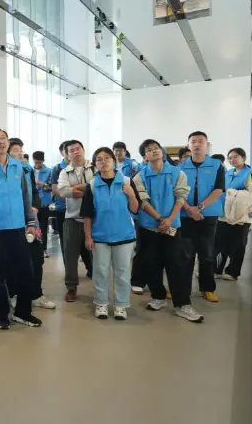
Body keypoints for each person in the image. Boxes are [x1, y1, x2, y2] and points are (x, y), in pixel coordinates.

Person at [0, 129, 42, 330]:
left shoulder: (18, 166)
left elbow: (25, 196)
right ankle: (2, 315)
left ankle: (23, 312)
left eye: (3, 138)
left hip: (18, 229)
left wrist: (31, 222)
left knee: (26, 272)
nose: (0, 142)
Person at [133, 139, 204, 323]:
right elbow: (143, 201)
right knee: (151, 264)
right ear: (145, 157)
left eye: (156, 148)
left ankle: (183, 305)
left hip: (172, 227)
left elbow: (181, 197)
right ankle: (158, 296)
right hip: (148, 227)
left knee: (176, 265)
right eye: (149, 150)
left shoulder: (177, 173)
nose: (154, 151)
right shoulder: (140, 177)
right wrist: (159, 219)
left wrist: (170, 219)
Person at [82, 147, 140, 320]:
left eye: (107, 158)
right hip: (100, 237)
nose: (103, 161)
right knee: (100, 271)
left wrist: (132, 195)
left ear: (114, 161)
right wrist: (88, 237)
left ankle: (121, 305)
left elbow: (135, 210)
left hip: (124, 236)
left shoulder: (127, 182)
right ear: (95, 164)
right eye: (99, 159)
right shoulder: (92, 185)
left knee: (123, 272)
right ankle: (101, 303)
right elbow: (87, 214)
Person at [9, 139, 55, 310]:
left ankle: (36, 295)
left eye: (21, 150)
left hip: (32, 221)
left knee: (36, 259)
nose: (20, 153)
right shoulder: (4, 171)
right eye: (15, 150)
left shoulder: (27, 168)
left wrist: (35, 208)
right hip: (13, 222)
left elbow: (34, 192)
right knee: (15, 261)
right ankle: (15, 294)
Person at [179, 131, 226, 303]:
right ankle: (182, 289)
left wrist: (199, 208)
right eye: (193, 142)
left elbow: (219, 190)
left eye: (200, 141)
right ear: (188, 145)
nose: (197, 144)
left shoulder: (217, 165)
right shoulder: (181, 167)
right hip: (185, 215)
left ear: (207, 145)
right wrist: (189, 209)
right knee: (185, 254)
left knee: (207, 253)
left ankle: (207, 288)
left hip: (209, 215)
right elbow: (177, 191)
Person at [57, 140, 96, 302]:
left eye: (78, 148)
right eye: (71, 150)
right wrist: (86, 189)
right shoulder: (64, 172)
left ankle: (100, 287)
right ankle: (71, 287)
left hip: (95, 219)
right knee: (70, 255)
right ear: (67, 155)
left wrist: (76, 189)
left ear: (83, 150)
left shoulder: (94, 167)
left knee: (97, 255)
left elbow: (99, 187)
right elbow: (63, 191)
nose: (75, 152)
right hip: (72, 217)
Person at [214, 148, 252, 281]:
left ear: (243, 157)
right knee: (219, 243)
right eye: (230, 158)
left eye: (235, 157)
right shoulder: (228, 173)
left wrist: (235, 194)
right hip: (224, 213)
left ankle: (232, 272)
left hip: (241, 215)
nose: (232, 160)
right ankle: (217, 269)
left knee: (238, 244)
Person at [32, 151, 53, 256]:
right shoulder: (29, 170)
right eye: (36, 162)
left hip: (44, 204)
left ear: (43, 161)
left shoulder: (49, 171)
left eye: (39, 162)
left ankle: (43, 248)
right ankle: (35, 248)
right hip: (32, 204)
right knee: (33, 226)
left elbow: (51, 187)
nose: (37, 165)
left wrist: (41, 184)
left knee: (43, 227)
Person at [50, 141, 71, 237]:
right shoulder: (57, 168)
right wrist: (69, 200)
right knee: (64, 236)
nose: (68, 152)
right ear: (62, 153)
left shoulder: (81, 167)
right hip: (62, 207)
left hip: (79, 209)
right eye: (65, 150)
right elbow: (55, 189)